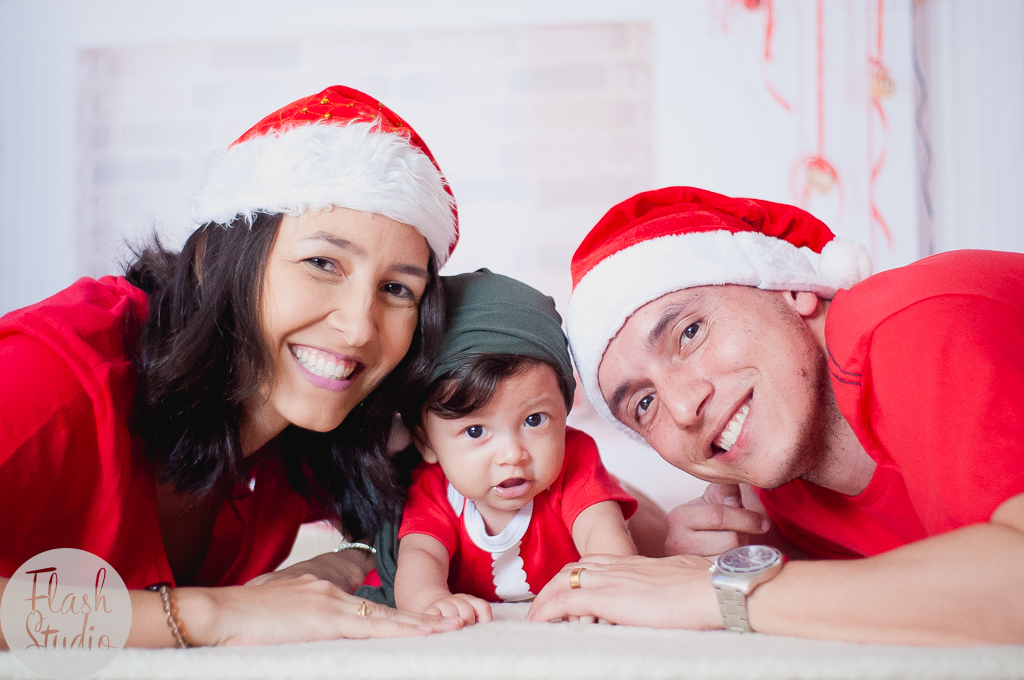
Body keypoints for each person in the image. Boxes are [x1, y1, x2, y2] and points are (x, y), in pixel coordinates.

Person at [0, 85, 466, 648]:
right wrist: (217, 614)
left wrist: (344, 562)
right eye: (322, 263)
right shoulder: (51, 379)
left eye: (397, 289)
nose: (361, 327)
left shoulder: (308, 419)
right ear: (208, 260)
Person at [527, 186, 1024, 645]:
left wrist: (717, 591)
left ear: (792, 288)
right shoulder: (780, 486)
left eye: (691, 333)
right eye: (644, 404)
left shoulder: (913, 327)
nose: (682, 407)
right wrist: (739, 555)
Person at [392, 270, 638, 624]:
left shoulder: (574, 460)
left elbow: (602, 531)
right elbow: (421, 555)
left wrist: (606, 585)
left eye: (535, 420)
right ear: (426, 442)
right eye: (476, 430)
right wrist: (429, 598)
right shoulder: (435, 489)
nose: (512, 455)